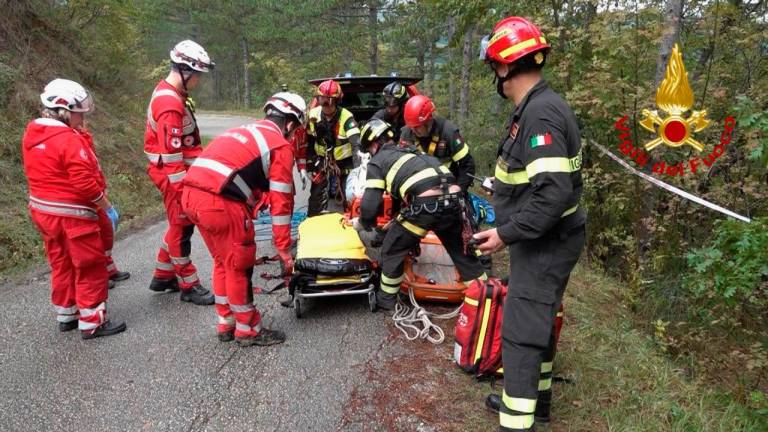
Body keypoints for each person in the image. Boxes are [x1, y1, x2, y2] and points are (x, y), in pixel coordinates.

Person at [474, 17, 586, 432]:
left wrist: (504, 234)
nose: (496, 77)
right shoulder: (538, 106)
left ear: (504, 67)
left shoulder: (540, 115)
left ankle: (516, 420)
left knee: (521, 331)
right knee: (539, 321)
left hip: (546, 243)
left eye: (494, 68)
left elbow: (553, 194)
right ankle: (535, 402)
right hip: (543, 240)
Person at [181, 92, 305, 346]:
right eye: (295, 130)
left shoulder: (244, 131)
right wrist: (283, 250)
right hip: (220, 202)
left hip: (191, 196)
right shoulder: (280, 146)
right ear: (290, 124)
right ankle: (248, 328)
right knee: (239, 265)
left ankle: (226, 322)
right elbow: (282, 204)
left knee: (222, 262)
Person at [22, 78, 126, 339]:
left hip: (44, 213)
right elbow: (84, 183)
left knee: (62, 262)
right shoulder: (67, 139)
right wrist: (106, 206)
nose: (82, 120)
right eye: (79, 115)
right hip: (73, 216)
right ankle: (92, 322)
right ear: (64, 111)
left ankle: (67, 314)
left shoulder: (32, 134)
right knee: (89, 264)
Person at [353, 119, 486, 310]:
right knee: (462, 253)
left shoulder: (377, 162)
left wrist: (363, 222)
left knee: (392, 248)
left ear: (373, 144)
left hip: (426, 207)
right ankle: (484, 301)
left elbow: (370, 205)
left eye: (368, 149)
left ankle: (386, 301)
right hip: (455, 201)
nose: (369, 154)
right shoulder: (413, 153)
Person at [143, 40, 215, 305]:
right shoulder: (170, 104)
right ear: (186, 71)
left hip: (175, 170)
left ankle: (163, 275)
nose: (198, 81)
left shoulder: (172, 94)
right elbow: (172, 157)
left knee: (177, 224)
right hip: (173, 175)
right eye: (197, 76)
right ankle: (188, 283)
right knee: (182, 228)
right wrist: (184, 192)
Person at [398, 95, 476, 195]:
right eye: (411, 126)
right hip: (419, 189)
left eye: (417, 126)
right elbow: (401, 167)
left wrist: (459, 190)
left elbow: (467, 165)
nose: (413, 130)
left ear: (428, 120)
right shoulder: (406, 134)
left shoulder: (448, 132)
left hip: (447, 187)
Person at [306, 79, 361, 215]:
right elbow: (309, 142)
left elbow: (356, 145)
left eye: (329, 101)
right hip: (321, 161)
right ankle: (312, 222)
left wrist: (358, 171)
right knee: (315, 195)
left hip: (344, 163)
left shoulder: (347, 118)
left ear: (337, 101)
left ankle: (350, 223)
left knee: (349, 195)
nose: (325, 105)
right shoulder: (313, 115)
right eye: (321, 100)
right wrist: (310, 164)